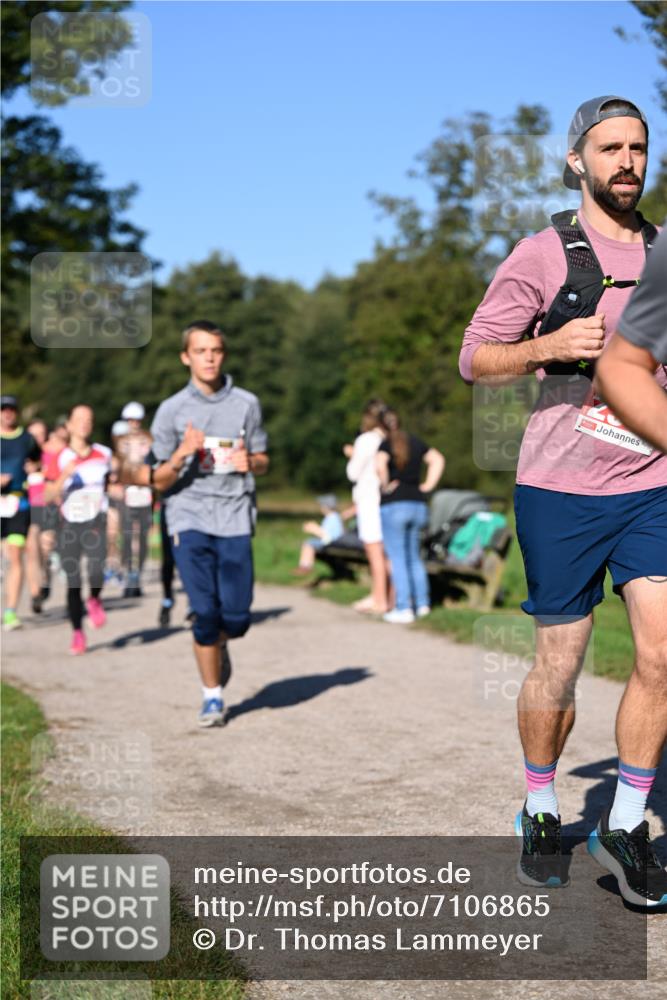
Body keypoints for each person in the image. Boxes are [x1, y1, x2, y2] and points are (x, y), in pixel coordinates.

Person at [459, 96, 667, 907]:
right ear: (575, 161)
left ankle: (623, 822)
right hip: (559, 487)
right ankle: (542, 806)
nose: (626, 161)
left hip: (651, 484)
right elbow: (475, 360)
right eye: (609, 148)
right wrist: (547, 346)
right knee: (560, 662)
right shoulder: (543, 255)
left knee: (659, 654)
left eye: (639, 148)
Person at [150, 319, 269, 727]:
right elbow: (158, 479)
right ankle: (212, 698)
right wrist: (182, 452)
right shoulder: (171, 410)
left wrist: (251, 462)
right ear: (186, 356)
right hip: (188, 514)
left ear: (224, 354)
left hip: (235, 514)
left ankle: (221, 643)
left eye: (215, 350)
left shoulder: (246, 404)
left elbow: (263, 457)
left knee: (236, 618)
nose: (209, 358)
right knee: (204, 611)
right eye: (200, 351)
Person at [46, 404, 111, 654]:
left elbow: (112, 483)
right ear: (69, 425)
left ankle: (94, 598)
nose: (85, 423)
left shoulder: (103, 453)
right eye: (79, 419)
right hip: (69, 522)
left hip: (96, 519)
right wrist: (65, 475)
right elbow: (49, 493)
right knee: (73, 581)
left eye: (89, 419)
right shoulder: (60, 457)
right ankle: (77, 633)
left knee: (97, 569)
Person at [597, 224, 667, 453]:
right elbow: (480, 356)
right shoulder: (539, 251)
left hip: (657, 477)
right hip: (562, 477)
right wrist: (546, 347)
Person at [375, 410, 445, 623]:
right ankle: (422, 604)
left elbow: (379, 466)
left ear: (382, 426)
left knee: (397, 558)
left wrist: (386, 485)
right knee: (414, 557)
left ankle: (404, 607)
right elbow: (437, 459)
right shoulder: (415, 441)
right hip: (418, 503)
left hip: (394, 505)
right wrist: (428, 486)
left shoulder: (385, 444)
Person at [344, 400, 391, 614]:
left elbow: (353, 473)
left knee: (374, 552)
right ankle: (383, 596)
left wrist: (352, 454)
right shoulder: (390, 438)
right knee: (386, 552)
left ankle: (379, 600)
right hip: (387, 499)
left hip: (369, 499)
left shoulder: (365, 440)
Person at [1, 396, 41, 630]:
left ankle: (10, 611)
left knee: (16, 556)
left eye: (11, 410)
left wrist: (34, 468)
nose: (7, 414)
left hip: (17, 504)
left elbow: (38, 462)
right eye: (3, 410)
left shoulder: (27, 439)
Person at [115, 402, 154, 598]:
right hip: (128, 490)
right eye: (131, 420)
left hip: (145, 491)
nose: (134, 423)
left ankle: (138, 574)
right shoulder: (121, 441)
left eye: (137, 420)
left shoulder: (149, 439)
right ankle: (129, 572)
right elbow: (120, 466)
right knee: (128, 535)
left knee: (144, 536)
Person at [24, 418, 50, 613]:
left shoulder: (51, 455)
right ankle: (35, 594)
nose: (38, 438)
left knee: (45, 547)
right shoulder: (22, 457)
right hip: (28, 508)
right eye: (34, 434)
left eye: (41, 434)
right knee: (32, 549)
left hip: (48, 507)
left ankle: (46, 579)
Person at [293, 495, 344, 574]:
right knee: (309, 542)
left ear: (326, 507)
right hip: (330, 540)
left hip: (331, 542)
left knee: (309, 543)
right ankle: (304, 565)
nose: (321, 508)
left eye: (322, 506)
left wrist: (313, 529)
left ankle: (305, 566)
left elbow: (327, 535)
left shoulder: (332, 518)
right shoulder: (332, 517)